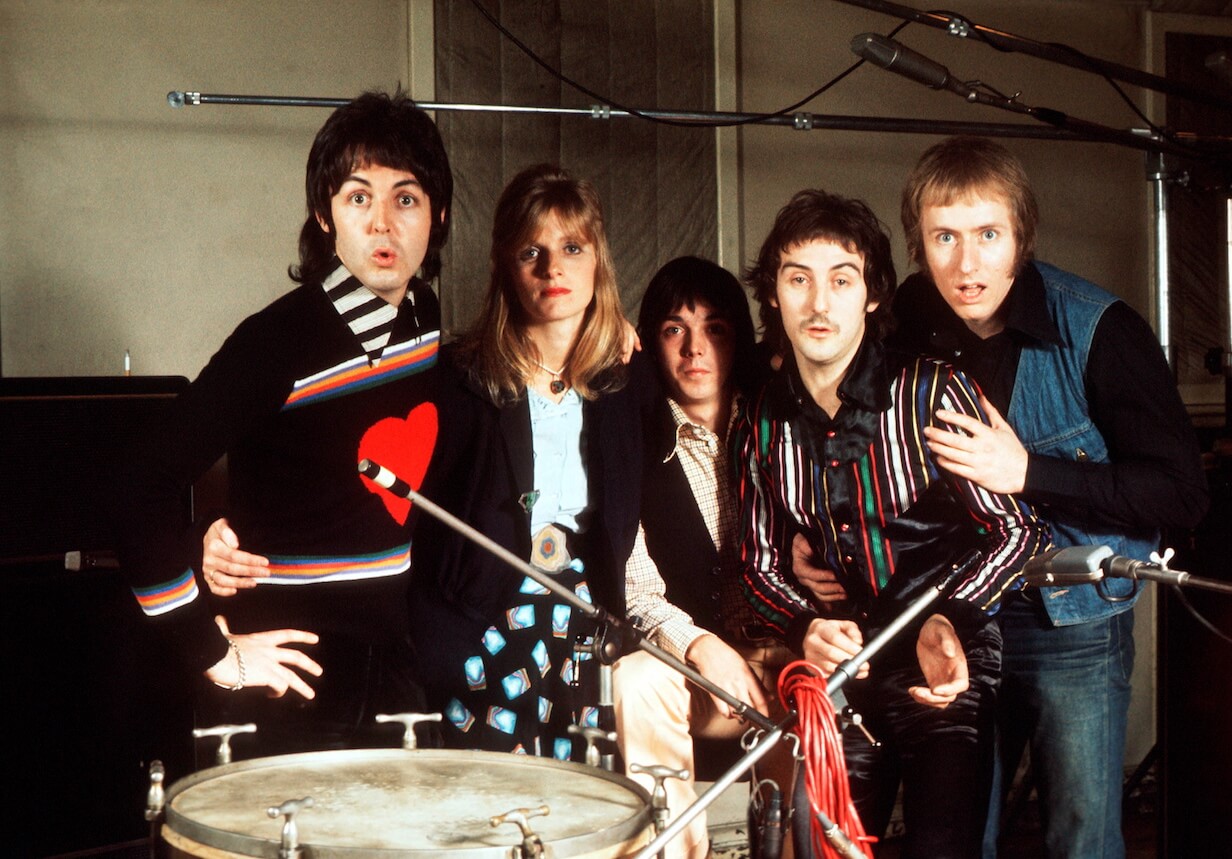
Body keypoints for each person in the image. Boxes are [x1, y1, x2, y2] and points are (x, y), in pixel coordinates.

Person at [887, 137, 1207, 859]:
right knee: (959, 836)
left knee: (1080, 838)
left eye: (987, 235)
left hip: (1073, 625)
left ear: (1021, 235)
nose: (966, 265)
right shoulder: (912, 317)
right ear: (919, 244)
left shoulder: (1099, 329)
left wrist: (1029, 471)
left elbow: (1182, 495)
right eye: (944, 237)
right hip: (959, 616)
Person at [115, 90, 453, 754]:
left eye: (406, 199)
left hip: (393, 667)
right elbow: (137, 485)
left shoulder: (423, 317)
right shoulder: (275, 343)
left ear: (437, 216)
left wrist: (604, 328)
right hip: (290, 681)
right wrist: (212, 650)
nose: (382, 224)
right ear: (325, 214)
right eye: (359, 197)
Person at [736, 189, 1050, 858]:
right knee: (831, 846)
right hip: (841, 665)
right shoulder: (760, 420)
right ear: (773, 295)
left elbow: (1019, 532)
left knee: (943, 844)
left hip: (943, 654)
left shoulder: (931, 392)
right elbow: (757, 564)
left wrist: (950, 615)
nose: (819, 304)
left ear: (873, 294)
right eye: (798, 279)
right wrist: (803, 626)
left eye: (841, 280)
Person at [408, 164, 655, 759]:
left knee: (582, 793)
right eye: (531, 252)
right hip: (485, 620)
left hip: (587, 619)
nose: (553, 269)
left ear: (598, 261)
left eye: (572, 248)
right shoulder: (459, 379)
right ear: (505, 267)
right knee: (494, 798)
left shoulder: (627, 382)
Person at [612, 256, 793, 859]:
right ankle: (675, 851)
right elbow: (636, 592)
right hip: (694, 674)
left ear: (737, 339)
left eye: (714, 328)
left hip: (787, 659)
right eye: (675, 329)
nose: (695, 349)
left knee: (820, 685)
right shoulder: (631, 441)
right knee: (636, 678)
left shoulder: (777, 424)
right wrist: (700, 647)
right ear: (650, 342)